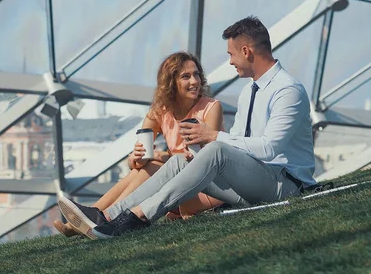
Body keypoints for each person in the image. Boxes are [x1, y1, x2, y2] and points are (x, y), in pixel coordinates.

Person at [59, 16, 317, 239]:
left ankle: (138, 217)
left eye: (231, 54)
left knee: (215, 149)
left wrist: (213, 136)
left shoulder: (287, 90)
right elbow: (238, 141)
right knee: (180, 161)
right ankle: (108, 216)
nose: (230, 61)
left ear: (247, 52)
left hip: (285, 184)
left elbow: (270, 148)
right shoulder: (249, 92)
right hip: (251, 182)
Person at [56, 52, 225, 238]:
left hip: (201, 185)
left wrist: (158, 156)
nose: (194, 81)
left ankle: (99, 217)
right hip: (171, 182)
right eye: (186, 76)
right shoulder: (161, 111)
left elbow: (200, 160)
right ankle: (95, 216)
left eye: (196, 74)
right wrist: (136, 158)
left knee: (154, 165)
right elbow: (138, 161)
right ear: (171, 82)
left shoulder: (211, 107)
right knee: (145, 168)